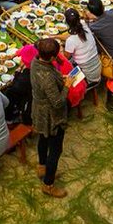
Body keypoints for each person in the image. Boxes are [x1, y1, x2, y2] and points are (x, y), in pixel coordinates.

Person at [30, 37, 69, 198]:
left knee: (43, 138)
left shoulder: (35, 62)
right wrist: (66, 86)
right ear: (52, 57)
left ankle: (41, 166)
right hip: (51, 116)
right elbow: (58, 102)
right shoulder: (47, 77)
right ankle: (48, 184)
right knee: (55, 149)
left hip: (38, 109)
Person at [62, 8, 102, 86]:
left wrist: (61, 49)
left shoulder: (71, 41)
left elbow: (65, 58)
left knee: (61, 64)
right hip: (96, 69)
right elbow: (70, 36)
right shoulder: (84, 25)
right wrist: (54, 36)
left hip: (88, 77)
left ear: (67, 22)